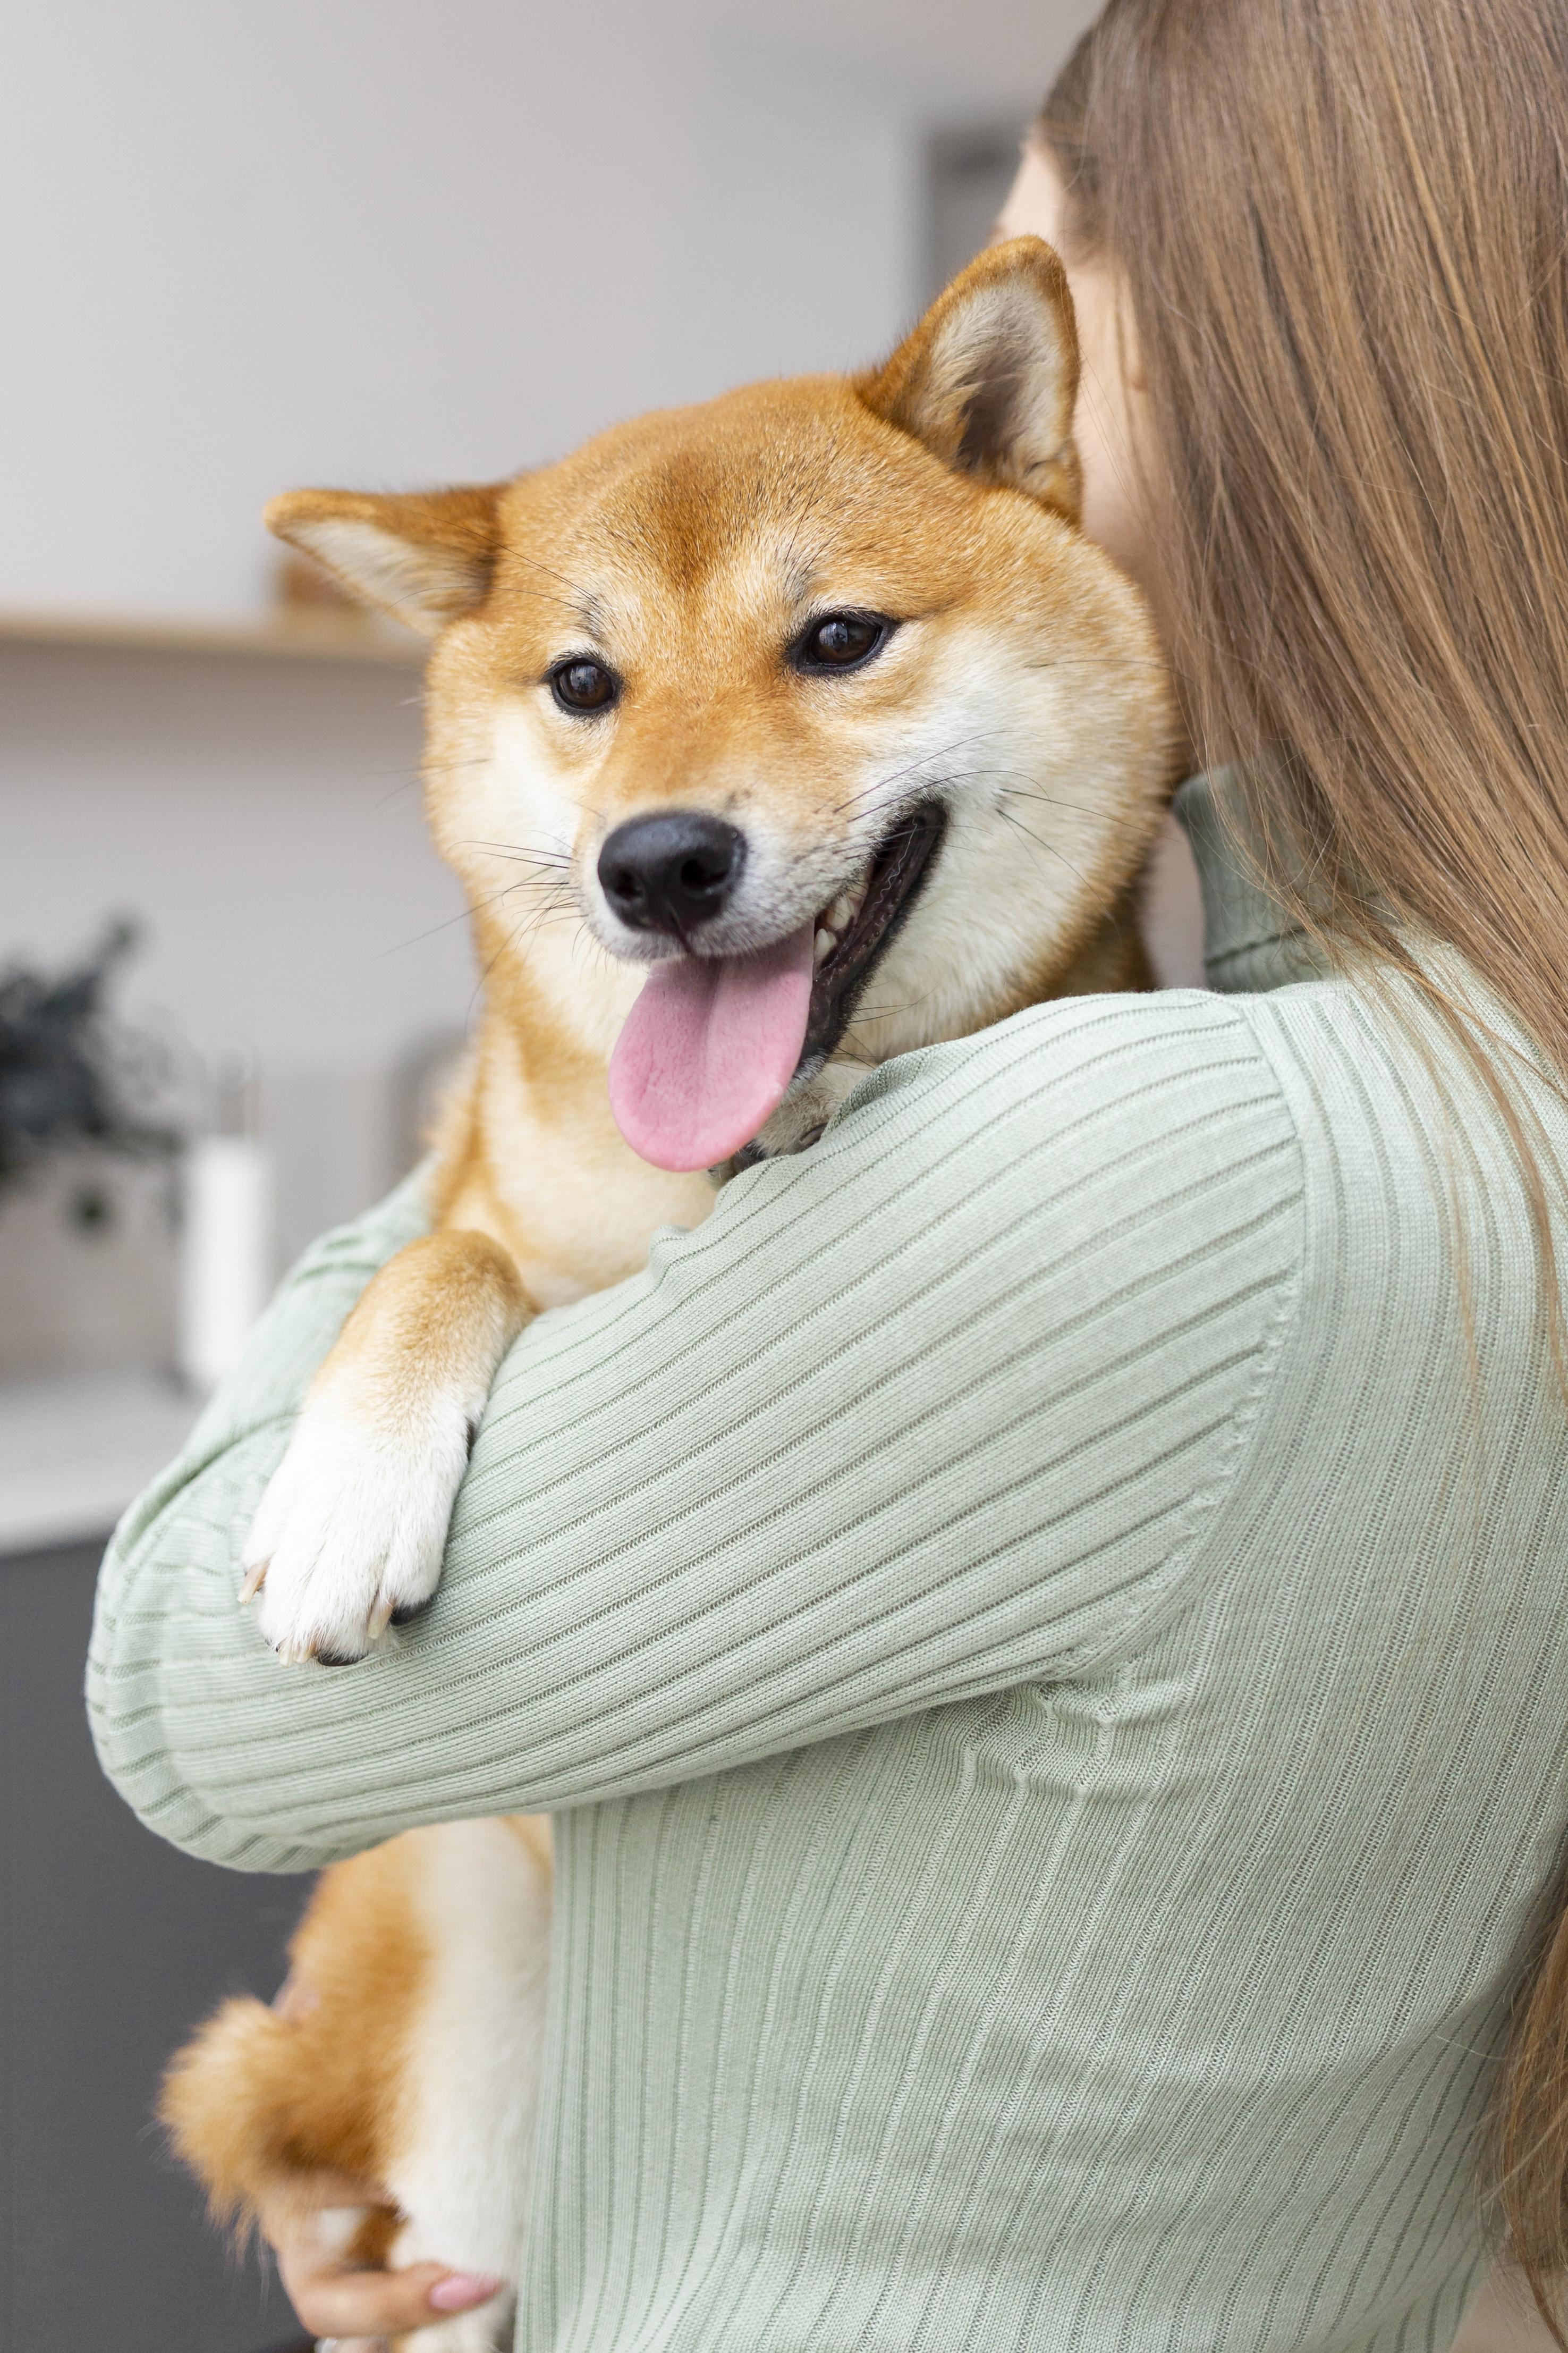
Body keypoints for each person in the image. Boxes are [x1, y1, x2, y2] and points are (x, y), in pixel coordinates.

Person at [90, 2, 1568, 2346]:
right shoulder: (1478, 1072)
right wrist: (456, 2118)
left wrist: (492, 1119)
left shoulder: (1138, 1166)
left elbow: (195, 1700)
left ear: (1170, 382)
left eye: (1024, 331)